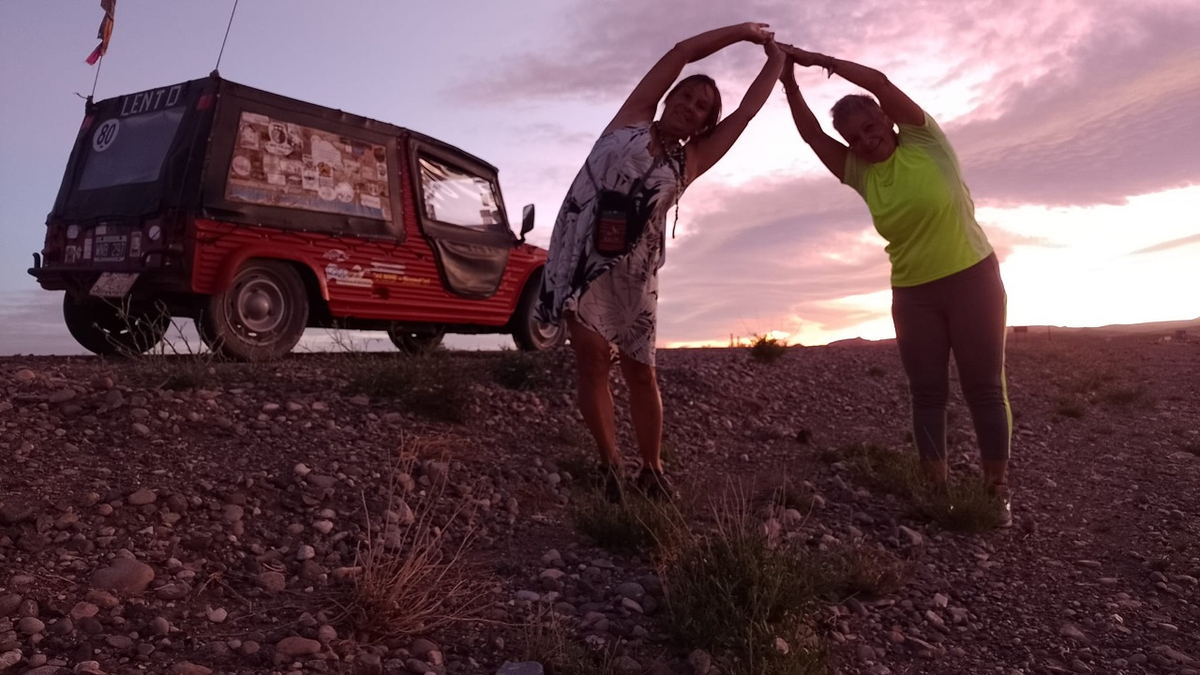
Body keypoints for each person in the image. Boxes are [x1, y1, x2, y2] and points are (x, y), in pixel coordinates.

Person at [536, 23, 784, 501]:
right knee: (591, 363)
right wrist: (744, 33)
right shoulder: (627, 120)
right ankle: (611, 467)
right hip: (582, 260)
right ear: (670, 97)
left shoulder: (691, 161)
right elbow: (683, 50)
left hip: (633, 276)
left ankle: (652, 468)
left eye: (701, 109)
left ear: (703, 124)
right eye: (686, 97)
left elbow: (748, 112)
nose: (690, 107)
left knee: (640, 371)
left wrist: (775, 58)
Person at [778, 45, 1013, 526]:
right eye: (854, 136)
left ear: (886, 120)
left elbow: (880, 82)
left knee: (984, 388)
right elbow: (809, 135)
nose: (865, 140)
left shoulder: (927, 142)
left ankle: (996, 492)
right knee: (927, 394)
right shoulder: (859, 172)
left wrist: (815, 59)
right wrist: (787, 81)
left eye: (869, 127)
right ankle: (937, 493)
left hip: (973, 279)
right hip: (913, 293)